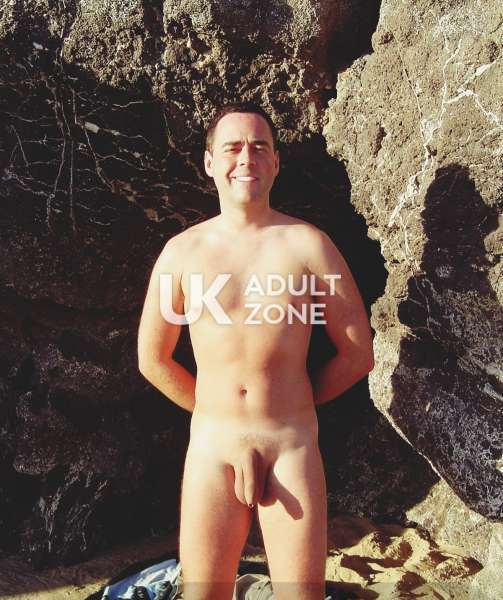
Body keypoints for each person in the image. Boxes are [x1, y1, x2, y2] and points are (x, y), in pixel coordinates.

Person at [137, 102, 374, 600]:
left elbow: (358, 354)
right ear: (210, 162)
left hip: (290, 447)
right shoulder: (181, 253)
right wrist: (218, 415)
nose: (246, 158)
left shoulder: (309, 246)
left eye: (259, 147)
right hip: (212, 449)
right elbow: (153, 359)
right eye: (233, 148)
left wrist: (288, 406)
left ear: (276, 162)